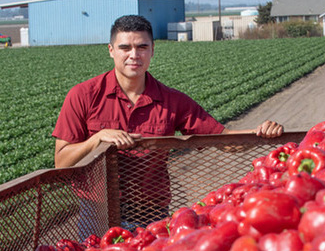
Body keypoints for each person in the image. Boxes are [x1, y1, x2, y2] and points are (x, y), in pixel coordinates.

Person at [52, 14, 284, 226]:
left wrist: (259, 132)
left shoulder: (173, 101)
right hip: (97, 211)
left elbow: (222, 139)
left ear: (153, 50)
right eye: (125, 47)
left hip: (150, 212)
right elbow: (62, 162)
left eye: (142, 47)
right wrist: (98, 138)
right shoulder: (83, 95)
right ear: (111, 50)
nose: (134, 55)